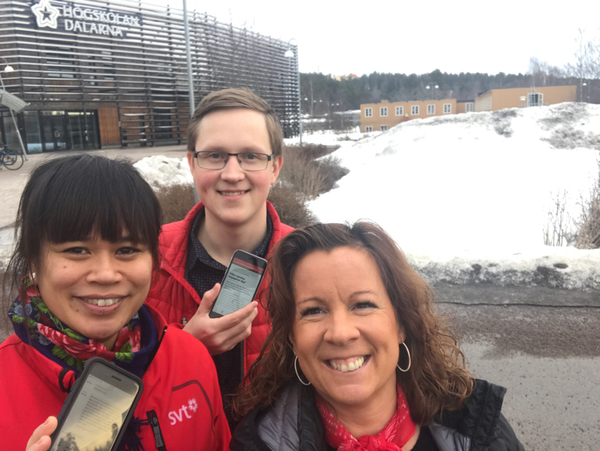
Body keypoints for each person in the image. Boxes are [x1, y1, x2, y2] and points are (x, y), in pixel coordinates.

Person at [0, 155, 230, 450]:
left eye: (126, 250)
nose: (106, 274)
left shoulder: (191, 359)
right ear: (34, 258)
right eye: (77, 250)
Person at [231, 222, 525, 451]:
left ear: (402, 323)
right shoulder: (259, 443)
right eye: (314, 311)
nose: (341, 333)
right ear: (292, 337)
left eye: (363, 305)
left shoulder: (479, 431)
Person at [146, 88, 293, 426]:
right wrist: (184, 348)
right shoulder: (146, 258)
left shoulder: (306, 261)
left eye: (251, 156)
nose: (231, 173)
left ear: (275, 167)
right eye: (214, 155)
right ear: (191, 163)